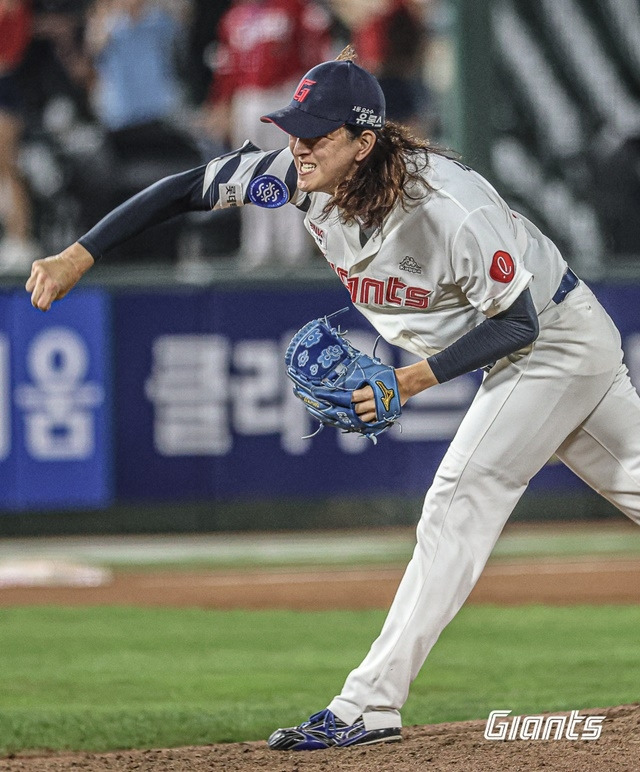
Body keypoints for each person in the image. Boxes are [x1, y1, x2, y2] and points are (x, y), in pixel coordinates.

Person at [26, 47, 640, 751]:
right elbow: (186, 188)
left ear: (364, 141)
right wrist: (81, 252)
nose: (297, 145)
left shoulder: (447, 208)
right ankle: (369, 704)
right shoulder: (297, 178)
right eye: (294, 127)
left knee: (458, 499)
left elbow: (519, 323)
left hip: (549, 342)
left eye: (315, 132)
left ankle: (368, 705)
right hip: (551, 340)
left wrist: (407, 381)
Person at [205, 0, 331, 268]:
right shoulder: (236, 15)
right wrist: (222, 102)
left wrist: (313, 102)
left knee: (290, 170)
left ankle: (293, 248)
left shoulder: (296, 8)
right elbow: (226, 65)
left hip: (285, 93)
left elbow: (315, 55)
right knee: (250, 172)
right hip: (246, 98)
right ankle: (257, 247)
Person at [0, 0, 42, 273]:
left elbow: (12, 56)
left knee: (6, 165)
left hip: (6, 91)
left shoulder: (17, 10)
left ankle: (20, 239)